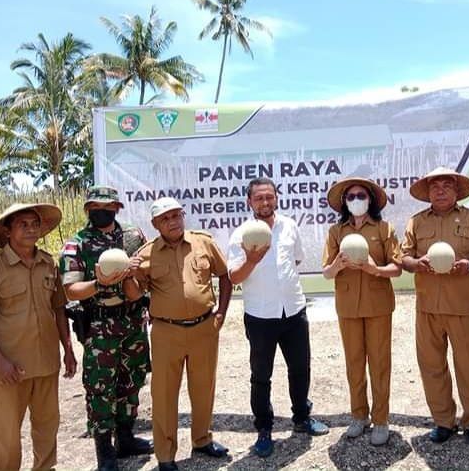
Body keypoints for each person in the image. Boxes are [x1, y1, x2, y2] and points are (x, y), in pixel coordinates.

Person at [227, 177, 329, 458]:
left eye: (269, 197)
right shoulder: (241, 235)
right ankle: (264, 429)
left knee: (300, 368)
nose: (265, 202)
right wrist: (252, 261)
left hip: (294, 310)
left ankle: (301, 418)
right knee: (261, 376)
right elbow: (234, 277)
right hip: (260, 315)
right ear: (249, 202)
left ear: (276, 198)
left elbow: (295, 260)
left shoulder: (289, 226)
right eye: (259, 198)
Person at [131, 197, 232, 471]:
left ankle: (202, 439)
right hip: (166, 332)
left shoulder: (204, 243)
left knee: (203, 388)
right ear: (155, 224)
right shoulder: (146, 254)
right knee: (164, 395)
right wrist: (129, 275)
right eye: (166, 218)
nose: (173, 221)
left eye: (177, 215)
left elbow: (225, 276)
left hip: (204, 329)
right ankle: (165, 455)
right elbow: (134, 294)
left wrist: (221, 312)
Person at [59, 186, 153, 471]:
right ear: (88, 210)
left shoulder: (133, 236)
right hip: (100, 325)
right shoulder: (77, 244)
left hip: (133, 321)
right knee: (101, 388)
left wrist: (137, 272)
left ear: (117, 208)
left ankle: (125, 438)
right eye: (97, 207)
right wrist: (101, 283)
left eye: (109, 207)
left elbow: (147, 274)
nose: (103, 211)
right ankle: (105, 452)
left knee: (132, 380)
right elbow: (71, 290)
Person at [400, 167, 469, 448]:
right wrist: (417, 264)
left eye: (446, 186)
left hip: (461, 304)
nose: (440, 190)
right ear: (428, 193)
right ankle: (443, 421)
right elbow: (403, 256)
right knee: (432, 366)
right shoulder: (416, 222)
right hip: (427, 305)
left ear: (456, 191)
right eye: (434, 186)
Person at [0, 203, 77, 471]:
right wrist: (0, 363)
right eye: (23, 224)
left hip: (45, 363)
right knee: (6, 437)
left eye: (35, 223)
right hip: (8, 369)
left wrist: (68, 348)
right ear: (7, 232)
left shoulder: (48, 263)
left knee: (47, 427)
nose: (31, 229)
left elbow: (58, 308)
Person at [322, 177, 402, 446]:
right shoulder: (336, 232)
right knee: (354, 363)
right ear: (344, 202)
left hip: (378, 305)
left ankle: (380, 419)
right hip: (348, 307)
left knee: (379, 364)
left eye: (361, 195)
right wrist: (337, 265)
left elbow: (397, 268)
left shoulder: (384, 228)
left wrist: (374, 269)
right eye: (351, 196)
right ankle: (359, 415)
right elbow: (326, 273)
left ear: (370, 199)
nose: (356, 200)